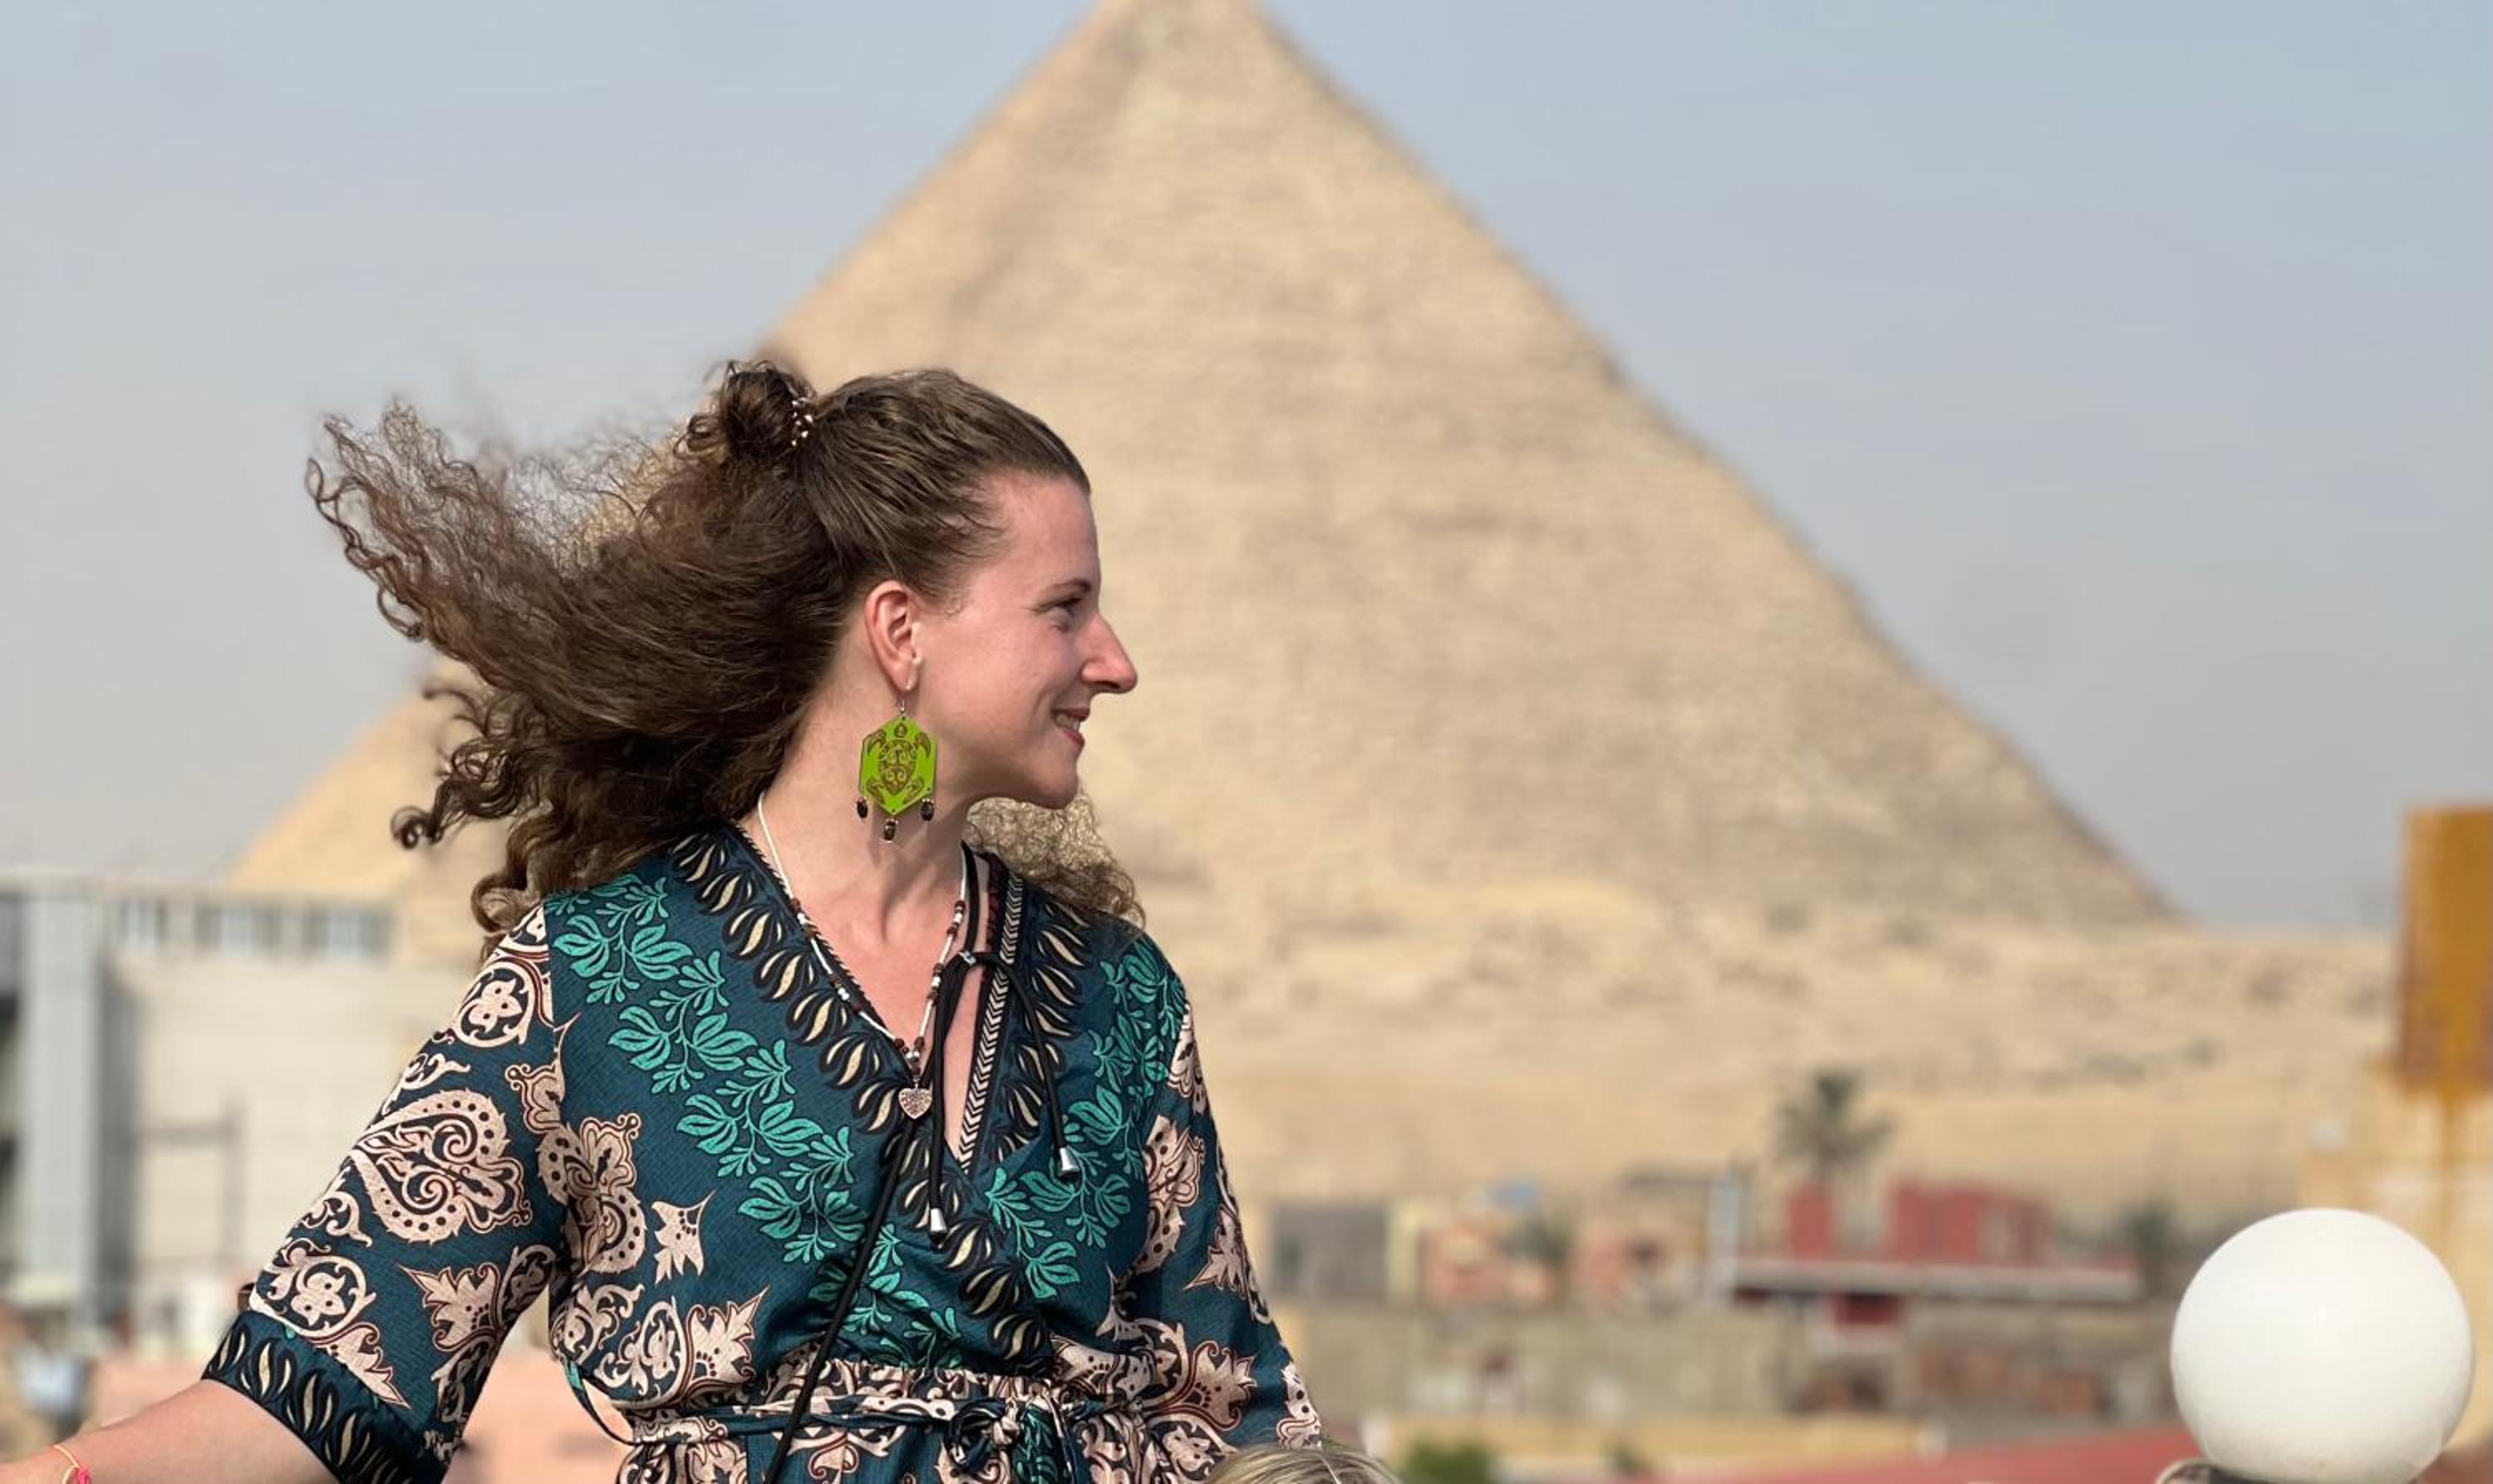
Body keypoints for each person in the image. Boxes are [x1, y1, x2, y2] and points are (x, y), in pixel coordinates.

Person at [7, 365, 1322, 1484]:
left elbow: (1240, 1418)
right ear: (901, 631)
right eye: (1064, 606)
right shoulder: (592, 980)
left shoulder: (1117, 995)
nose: (1114, 660)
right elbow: (316, 1389)